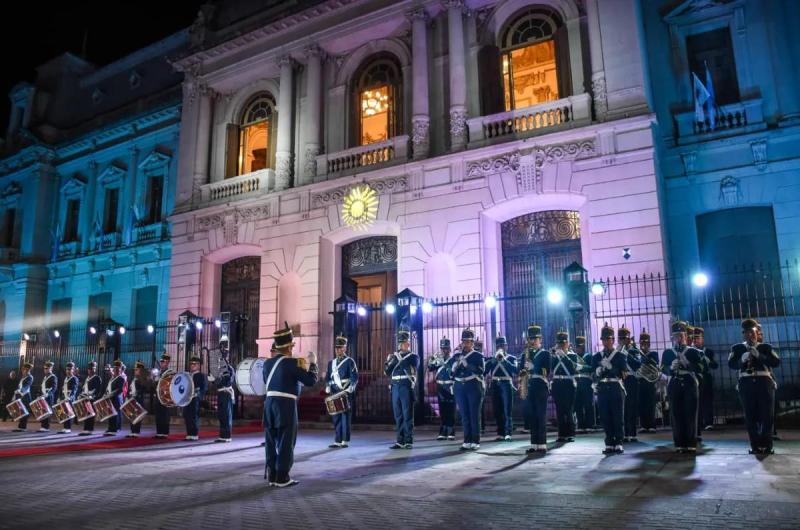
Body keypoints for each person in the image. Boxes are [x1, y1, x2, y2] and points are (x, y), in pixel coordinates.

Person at [262, 322, 318, 487]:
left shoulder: (267, 364)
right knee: (286, 440)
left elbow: (267, 382)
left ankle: (272, 475)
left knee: (271, 440)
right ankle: (282, 477)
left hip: (269, 403)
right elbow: (310, 381)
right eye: (291, 346)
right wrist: (313, 364)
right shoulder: (292, 363)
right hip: (285, 404)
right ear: (288, 347)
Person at [729, 318, 780, 455]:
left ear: (757, 332)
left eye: (753, 332)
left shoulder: (765, 347)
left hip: (764, 382)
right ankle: (755, 445)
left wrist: (761, 356)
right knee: (750, 415)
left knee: (767, 415)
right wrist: (741, 361)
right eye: (747, 332)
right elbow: (731, 364)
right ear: (743, 334)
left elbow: (776, 362)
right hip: (746, 382)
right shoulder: (738, 348)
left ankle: (767, 445)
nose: (750, 335)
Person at [661, 321, 703, 454]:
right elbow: (663, 369)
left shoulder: (693, 352)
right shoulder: (668, 352)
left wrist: (688, 364)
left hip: (689, 382)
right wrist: (670, 368)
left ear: (686, 336)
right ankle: (679, 443)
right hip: (674, 383)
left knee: (690, 414)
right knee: (676, 414)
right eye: (676, 336)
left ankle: (690, 443)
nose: (678, 338)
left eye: (681, 335)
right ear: (672, 338)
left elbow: (701, 368)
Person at [592, 323, 627, 455]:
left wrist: (611, 367)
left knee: (617, 416)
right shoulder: (597, 357)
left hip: (615, 387)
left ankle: (618, 442)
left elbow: (623, 374)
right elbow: (592, 375)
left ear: (613, 340)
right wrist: (597, 371)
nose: (605, 342)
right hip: (603, 388)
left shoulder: (620, 356)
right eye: (603, 339)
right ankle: (609, 443)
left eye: (608, 339)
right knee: (605, 417)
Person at [385, 329, 419, 449]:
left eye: (403, 343)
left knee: (407, 414)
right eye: (399, 343)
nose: (400, 345)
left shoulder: (413, 356)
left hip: (405, 385)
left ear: (408, 344)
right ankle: (400, 440)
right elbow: (387, 372)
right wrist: (390, 362)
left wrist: (399, 358)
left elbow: (415, 366)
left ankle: (408, 440)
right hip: (395, 386)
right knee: (398, 414)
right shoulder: (394, 356)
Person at [519, 324, 550, 454]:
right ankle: (534, 443)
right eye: (530, 339)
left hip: (540, 385)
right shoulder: (524, 354)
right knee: (532, 416)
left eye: (535, 339)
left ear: (540, 339)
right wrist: (523, 371)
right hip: (529, 385)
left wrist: (534, 367)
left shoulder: (545, 354)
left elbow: (546, 371)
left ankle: (542, 443)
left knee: (540, 415)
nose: (532, 341)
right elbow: (520, 370)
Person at [324, 334, 358, 448]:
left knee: (345, 416)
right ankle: (337, 440)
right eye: (336, 348)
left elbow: (354, 376)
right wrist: (327, 385)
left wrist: (351, 387)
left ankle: (344, 440)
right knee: (336, 416)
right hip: (334, 391)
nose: (338, 350)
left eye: (340, 348)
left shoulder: (350, 361)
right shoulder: (331, 363)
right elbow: (328, 377)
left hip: (345, 391)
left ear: (344, 348)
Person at [485, 335, 517, 442]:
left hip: (506, 383)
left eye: (502, 346)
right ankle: (500, 432)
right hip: (495, 384)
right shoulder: (491, 359)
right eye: (498, 346)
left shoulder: (511, 358)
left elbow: (515, 370)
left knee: (507, 409)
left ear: (506, 346)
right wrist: (493, 361)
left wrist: (504, 361)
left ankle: (508, 432)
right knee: (497, 409)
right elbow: (484, 372)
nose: (500, 348)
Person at [550, 330, 578, 443]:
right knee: (559, 410)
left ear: (568, 343)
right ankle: (561, 434)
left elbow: (573, 369)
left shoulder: (573, 356)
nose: (561, 345)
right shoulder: (554, 356)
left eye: (563, 342)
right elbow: (551, 368)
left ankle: (570, 433)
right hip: (557, 384)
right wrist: (555, 355)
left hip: (568, 384)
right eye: (559, 343)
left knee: (568, 409)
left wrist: (565, 357)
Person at [428, 337, 456, 440]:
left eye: (446, 348)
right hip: (440, 386)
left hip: (450, 386)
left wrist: (446, 365)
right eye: (442, 348)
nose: (444, 351)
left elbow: (453, 373)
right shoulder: (438, 360)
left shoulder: (453, 360)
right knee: (442, 410)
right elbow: (430, 369)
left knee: (450, 410)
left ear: (450, 349)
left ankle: (451, 431)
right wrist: (432, 361)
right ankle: (443, 431)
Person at [619, 326, 642, 443]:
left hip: (631, 380)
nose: (622, 340)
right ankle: (624, 433)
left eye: (625, 338)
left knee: (631, 407)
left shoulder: (634, 351)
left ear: (629, 339)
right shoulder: (616, 352)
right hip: (621, 381)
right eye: (621, 338)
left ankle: (632, 433)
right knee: (622, 409)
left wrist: (627, 354)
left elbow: (638, 364)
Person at [693, 327, 717, 432]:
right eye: (694, 339)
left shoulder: (709, 352)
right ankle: (699, 422)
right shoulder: (691, 351)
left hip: (706, 377)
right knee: (696, 400)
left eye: (698, 338)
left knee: (707, 400)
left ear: (702, 339)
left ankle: (708, 422)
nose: (696, 341)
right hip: (695, 377)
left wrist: (708, 360)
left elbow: (715, 365)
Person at [637, 330, 660, 433]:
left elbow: (654, 363)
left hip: (650, 381)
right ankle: (643, 425)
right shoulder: (638, 355)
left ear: (649, 344)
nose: (643, 345)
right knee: (641, 404)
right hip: (641, 381)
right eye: (642, 343)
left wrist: (643, 357)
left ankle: (652, 425)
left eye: (645, 343)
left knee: (651, 404)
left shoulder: (654, 354)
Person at [184, 355, 208, 441]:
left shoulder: (201, 375)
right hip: (187, 399)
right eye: (191, 364)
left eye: (194, 364)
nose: (192, 365)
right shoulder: (187, 375)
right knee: (187, 415)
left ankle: (194, 434)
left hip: (195, 399)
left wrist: (198, 395)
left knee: (194, 416)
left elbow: (204, 388)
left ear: (198, 365)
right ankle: (189, 433)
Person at [574, 337, 595, 434]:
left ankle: (589, 425)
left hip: (586, 382)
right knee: (578, 405)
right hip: (577, 382)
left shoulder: (589, 356)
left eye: (581, 346)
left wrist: (582, 367)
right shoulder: (573, 356)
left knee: (588, 405)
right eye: (578, 347)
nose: (579, 348)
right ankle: (581, 425)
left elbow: (592, 368)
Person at [215, 348, 236, 443]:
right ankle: (222, 435)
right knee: (221, 415)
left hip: (226, 393)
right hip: (220, 393)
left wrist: (218, 379)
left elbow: (228, 380)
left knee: (226, 415)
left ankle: (227, 435)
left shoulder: (229, 368)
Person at [78, 361, 103, 436]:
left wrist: (92, 397)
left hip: (91, 399)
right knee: (86, 414)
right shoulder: (87, 378)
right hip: (85, 398)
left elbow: (97, 390)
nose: (90, 370)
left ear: (95, 369)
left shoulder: (97, 378)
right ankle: (86, 428)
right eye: (89, 369)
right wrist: (81, 395)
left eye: (92, 368)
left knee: (91, 414)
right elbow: (84, 388)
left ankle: (90, 429)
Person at [126, 361, 149, 438]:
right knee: (131, 416)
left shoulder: (143, 380)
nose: (135, 371)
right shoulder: (133, 379)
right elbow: (130, 389)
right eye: (135, 369)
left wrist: (136, 394)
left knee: (137, 416)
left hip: (138, 400)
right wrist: (128, 396)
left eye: (137, 369)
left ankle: (136, 431)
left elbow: (144, 389)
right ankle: (132, 431)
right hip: (131, 399)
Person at [104, 360, 127, 436]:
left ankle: (115, 429)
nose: (116, 370)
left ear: (120, 369)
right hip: (110, 398)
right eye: (115, 368)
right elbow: (108, 388)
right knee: (110, 414)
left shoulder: (121, 378)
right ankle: (110, 428)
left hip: (116, 399)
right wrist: (106, 394)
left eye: (118, 369)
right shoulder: (112, 378)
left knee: (116, 414)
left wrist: (110, 394)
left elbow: (119, 389)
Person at [153, 353, 173, 438]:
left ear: (167, 362)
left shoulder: (169, 373)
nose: (161, 364)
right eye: (161, 362)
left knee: (165, 415)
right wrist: (154, 379)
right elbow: (154, 386)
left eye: (163, 362)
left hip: (166, 397)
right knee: (158, 414)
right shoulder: (159, 373)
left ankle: (164, 432)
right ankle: (159, 432)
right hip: (158, 396)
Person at [58, 362, 79, 434]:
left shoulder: (74, 378)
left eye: (70, 369)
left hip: (70, 398)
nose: (68, 371)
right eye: (67, 369)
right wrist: (60, 397)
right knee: (64, 412)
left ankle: (68, 428)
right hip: (64, 397)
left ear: (73, 370)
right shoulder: (66, 378)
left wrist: (69, 397)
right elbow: (62, 388)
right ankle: (65, 427)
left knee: (69, 413)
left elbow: (74, 390)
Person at [11, 363, 33, 432]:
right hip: (21, 396)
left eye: (26, 369)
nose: (24, 371)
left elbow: (26, 386)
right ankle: (21, 426)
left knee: (25, 411)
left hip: (26, 396)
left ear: (28, 370)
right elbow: (20, 386)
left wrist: (20, 390)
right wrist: (16, 394)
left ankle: (23, 427)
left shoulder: (30, 377)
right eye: (23, 369)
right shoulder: (23, 377)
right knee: (21, 411)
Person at [38, 361, 59, 432]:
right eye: (44, 368)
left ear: (51, 368)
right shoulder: (45, 377)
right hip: (43, 397)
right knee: (43, 411)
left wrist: (48, 394)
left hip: (49, 397)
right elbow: (42, 387)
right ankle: (43, 426)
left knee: (47, 411)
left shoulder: (53, 377)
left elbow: (54, 388)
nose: (45, 369)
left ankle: (46, 427)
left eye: (47, 368)